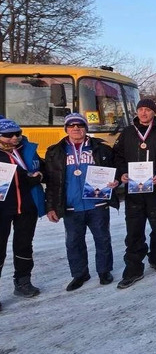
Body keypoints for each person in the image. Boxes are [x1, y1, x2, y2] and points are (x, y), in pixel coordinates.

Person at [45, 113, 120, 291]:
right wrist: (51, 207)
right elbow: (52, 182)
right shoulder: (55, 152)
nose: (76, 128)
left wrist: (116, 180)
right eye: (71, 126)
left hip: (97, 203)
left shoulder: (101, 148)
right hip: (71, 205)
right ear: (66, 129)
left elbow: (115, 169)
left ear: (86, 128)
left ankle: (104, 271)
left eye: (80, 125)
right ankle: (80, 274)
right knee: (73, 242)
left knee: (102, 239)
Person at [113, 99, 156, 289]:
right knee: (134, 230)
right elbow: (117, 156)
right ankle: (133, 269)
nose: (144, 113)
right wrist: (122, 172)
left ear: (154, 113)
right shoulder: (127, 133)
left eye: (147, 109)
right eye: (141, 109)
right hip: (134, 191)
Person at [0, 118, 45, 308]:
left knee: (24, 245)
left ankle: (23, 281)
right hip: (3, 208)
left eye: (17, 133)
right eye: (8, 135)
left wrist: (40, 175)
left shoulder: (27, 149)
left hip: (26, 206)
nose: (14, 138)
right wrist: (25, 177)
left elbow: (43, 168)